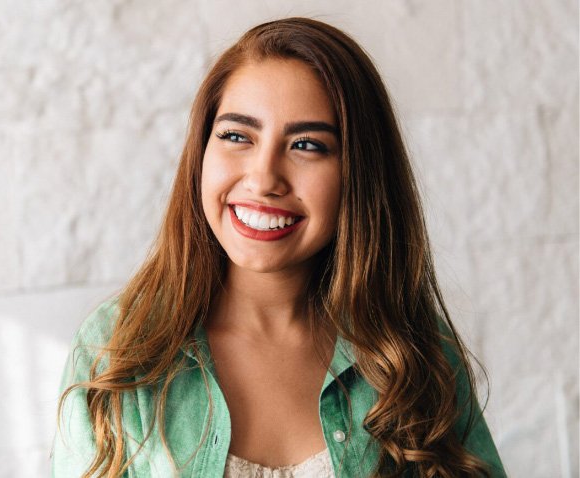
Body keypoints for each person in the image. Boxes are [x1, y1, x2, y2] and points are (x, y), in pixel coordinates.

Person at [52, 17, 507, 478]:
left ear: (359, 174)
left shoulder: (409, 349)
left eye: (307, 145)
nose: (264, 178)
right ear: (201, 152)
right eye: (236, 136)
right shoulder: (117, 350)